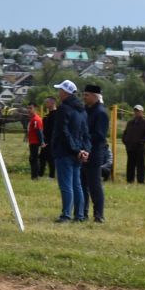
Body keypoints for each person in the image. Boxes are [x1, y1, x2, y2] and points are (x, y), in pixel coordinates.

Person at [47, 80, 89, 222]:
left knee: (66, 185)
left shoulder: (63, 109)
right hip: (78, 152)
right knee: (77, 185)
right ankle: (80, 215)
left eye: (60, 90)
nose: (58, 93)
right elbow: (85, 133)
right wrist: (83, 150)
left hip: (65, 152)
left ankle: (66, 215)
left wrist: (75, 149)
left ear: (65, 92)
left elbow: (63, 132)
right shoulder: (82, 110)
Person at [82, 84, 110, 222]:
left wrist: (83, 136)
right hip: (82, 152)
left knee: (94, 186)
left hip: (94, 154)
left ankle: (99, 215)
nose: (84, 97)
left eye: (87, 95)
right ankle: (83, 213)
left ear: (95, 96)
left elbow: (99, 135)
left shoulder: (101, 113)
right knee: (82, 185)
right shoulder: (86, 110)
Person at [121, 103, 145, 185]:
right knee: (130, 165)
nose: (136, 113)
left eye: (138, 111)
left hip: (140, 148)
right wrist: (125, 141)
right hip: (130, 148)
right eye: (135, 111)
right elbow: (125, 133)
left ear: (142, 112)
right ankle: (129, 180)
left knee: (140, 165)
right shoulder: (130, 123)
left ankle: (141, 181)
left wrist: (141, 142)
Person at [25, 100, 46, 180]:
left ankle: (35, 176)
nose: (29, 110)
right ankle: (34, 176)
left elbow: (39, 131)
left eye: (30, 108)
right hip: (32, 142)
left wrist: (42, 142)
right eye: (28, 108)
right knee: (32, 159)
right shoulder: (32, 119)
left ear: (35, 109)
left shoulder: (36, 120)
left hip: (35, 142)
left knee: (34, 159)